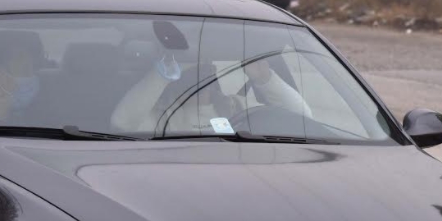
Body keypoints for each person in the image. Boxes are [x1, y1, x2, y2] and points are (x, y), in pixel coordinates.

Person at [111, 53, 312, 135]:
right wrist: (161, 75)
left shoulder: (236, 106)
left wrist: (265, 79)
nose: (202, 80)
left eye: (207, 71)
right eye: (194, 72)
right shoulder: (162, 116)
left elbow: (301, 120)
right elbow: (122, 123)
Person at [0, 30, 44, 124]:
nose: (26, 61)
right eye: (18, 57)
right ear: (3, 65)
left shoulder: (49, 92)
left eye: (30, 56)